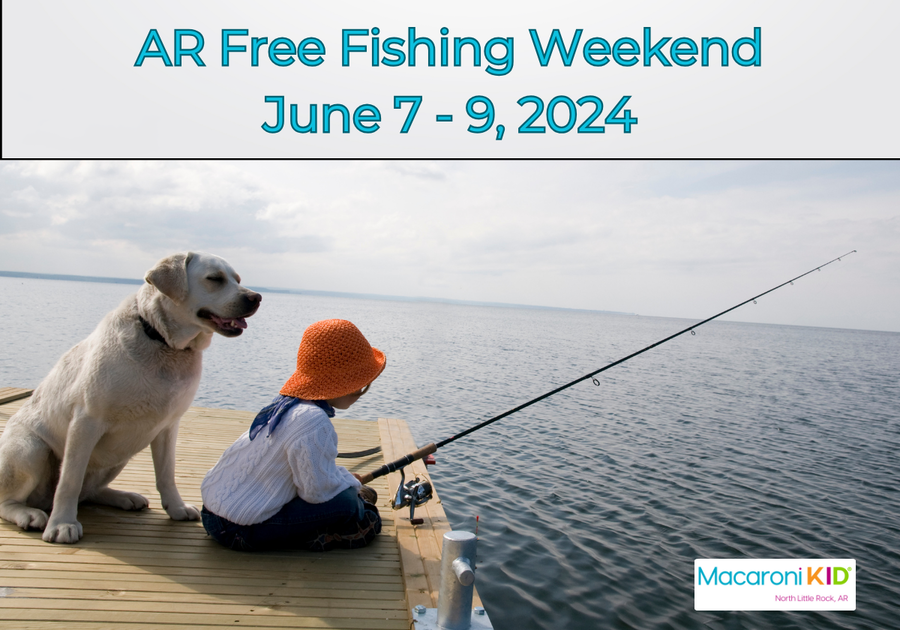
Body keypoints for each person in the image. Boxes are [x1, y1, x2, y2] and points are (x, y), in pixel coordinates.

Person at [200, 319, 385, 551]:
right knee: (349, 505)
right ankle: (325, 532)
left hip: (211, 513)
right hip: (240, 530)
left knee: (348, 491)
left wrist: (345, 479)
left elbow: (310, 472)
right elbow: (317, 493)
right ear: (348, 384)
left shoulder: (286, 406)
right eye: (361, 386)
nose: (362, 391)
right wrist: (350, 485)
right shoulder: (314, 421)